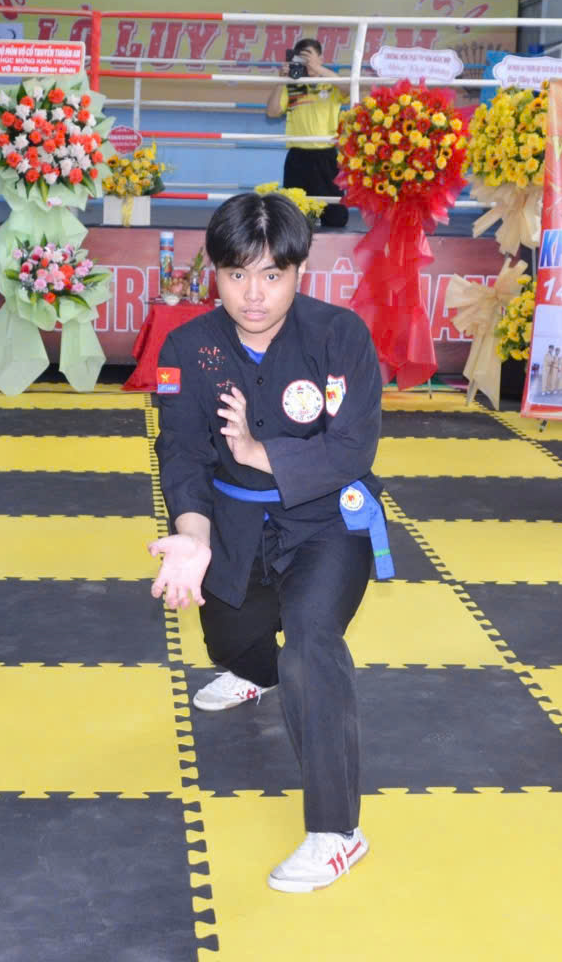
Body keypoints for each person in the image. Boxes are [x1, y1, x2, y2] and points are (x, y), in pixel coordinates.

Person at [148, 192, 387, 892]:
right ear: (214, 273)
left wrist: (261, 453)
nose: (253, 295)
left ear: (299, 270)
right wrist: (192, 535)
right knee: (229, 640)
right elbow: (182, 454)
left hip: (326, 521)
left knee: (311, 641)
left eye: (272, 275)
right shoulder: (187, 348)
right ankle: (257, 673)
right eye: (236, 274)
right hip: (233, 523)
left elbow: (353, 447)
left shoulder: (339, 336)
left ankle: (337, 832)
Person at [267, 38, 349, 229]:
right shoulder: (292, 85)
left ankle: (318, 216)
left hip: (325, 156)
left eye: (310, 57)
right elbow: (272, 111)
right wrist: (281, 81)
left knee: (337, 218)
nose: (307, 62)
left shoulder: (331, 84)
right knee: (292, 219)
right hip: (298, 157)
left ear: (321, 58)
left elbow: (349, 87)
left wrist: (318, 69)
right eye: (302, 58)